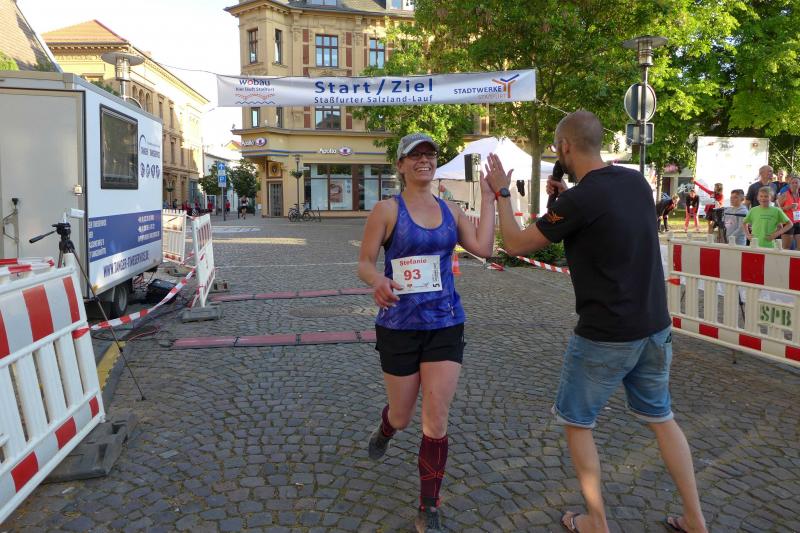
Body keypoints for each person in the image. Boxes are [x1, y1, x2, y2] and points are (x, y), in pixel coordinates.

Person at [486, 110, 708, 533]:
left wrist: (502, 192)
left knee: (576, 422)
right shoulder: (634, 182)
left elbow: (513, 243)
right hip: (654, 326)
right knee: (662, 418)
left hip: (606, 334)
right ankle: (696, 520)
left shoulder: (578, 201)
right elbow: (604, 218)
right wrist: (564, 200)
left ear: (565, 146)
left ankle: (596, 520)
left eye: (557, 149)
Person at [357, 133, 495, 533]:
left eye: (429, 154)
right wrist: (378, 280)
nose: (424, 159)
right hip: (399, 326)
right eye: (414, 155)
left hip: (445, 324)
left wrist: (490, 198)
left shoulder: (450, 210)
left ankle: (428, 505)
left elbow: (484, 248)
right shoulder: (386, 210)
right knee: (402, 416)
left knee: (436, 418)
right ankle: (386, 429)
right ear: (400, 165)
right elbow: (364, 263)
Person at [777, 176, 800, 250]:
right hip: (787, 223)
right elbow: (777, 209)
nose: (794, 184)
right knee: (786, 248)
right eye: (792, 183)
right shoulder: (785, 195)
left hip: (798, 223)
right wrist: (787, 207)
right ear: (789, 185)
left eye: (796, 182)